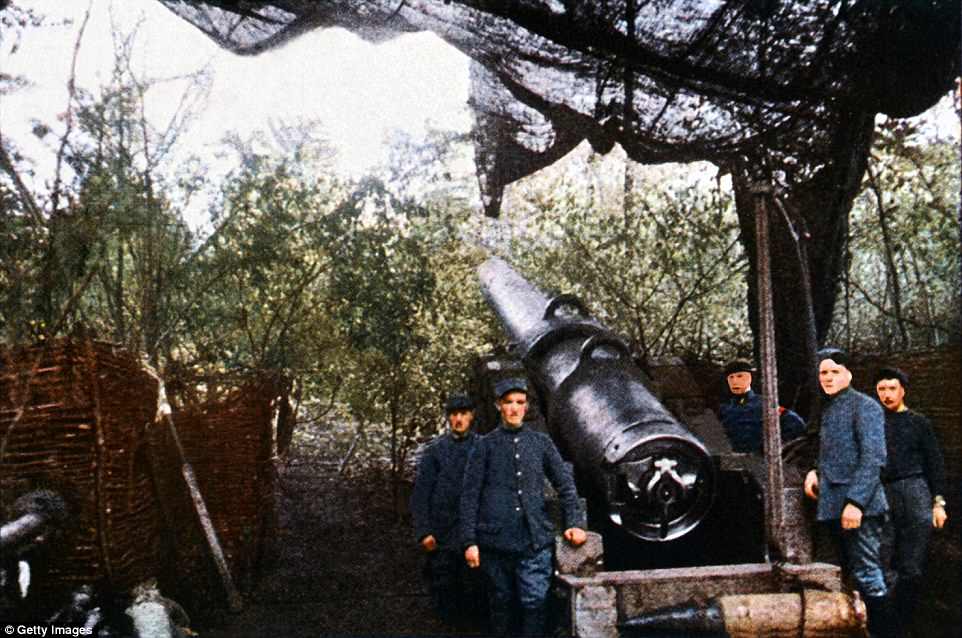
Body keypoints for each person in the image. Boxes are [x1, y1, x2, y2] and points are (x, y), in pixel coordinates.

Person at [460, 377, 587, 637]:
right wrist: (469, 541)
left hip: (534, 541)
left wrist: (575, 523)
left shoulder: (540, 443)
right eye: (508, 403)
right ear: (498, 406)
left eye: (520, 402)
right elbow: (469, 496)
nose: (514, 408)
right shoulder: (483, 447)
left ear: (526, 407)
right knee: (501, 603)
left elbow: (566, 486)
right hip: (495, 542)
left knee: (535, 602)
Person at [803, 348, 894, 638]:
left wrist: (855, 503)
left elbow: (873, 458)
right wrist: (815, 471)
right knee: (839, 576)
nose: (828, 378)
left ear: (849, 374)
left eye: (834, 372)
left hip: (859, 509)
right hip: (831, 505)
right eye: (823, 373)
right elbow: (835, 453)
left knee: (868, 575)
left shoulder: (864, 406)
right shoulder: (828, 408)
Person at [874, 366, 947, 636]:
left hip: (915, 491)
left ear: (903, 390)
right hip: (882, 493)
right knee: (882, 558)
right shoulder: (873, 422)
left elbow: (936, 464)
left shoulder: (919, 422)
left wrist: (938, 503)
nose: (887, 394)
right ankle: (885, 625)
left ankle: (908, 624)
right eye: (881, 389)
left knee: (912, 564)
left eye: (892, 388)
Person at [410, 392, 479, 626]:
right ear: (449, 418)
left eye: (463, 414)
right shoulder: (435, 451)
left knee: (474, 592)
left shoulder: (483, 448)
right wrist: (424, 531)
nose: (458, 419)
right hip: (443, 533)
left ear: (472, 416)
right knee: (444, 590)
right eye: (454, 414)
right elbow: (421, 495)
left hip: (474, 533)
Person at [718, 358, 806, 454]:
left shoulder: (765, 404)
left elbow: (796, 424)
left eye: (740, 376)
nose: (735, 381)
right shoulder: (724, 409)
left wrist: (776, 446)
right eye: (731, 377)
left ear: (750, 378)